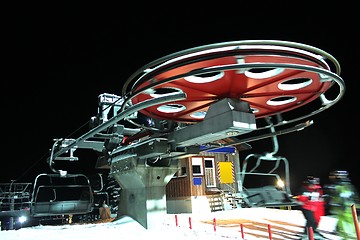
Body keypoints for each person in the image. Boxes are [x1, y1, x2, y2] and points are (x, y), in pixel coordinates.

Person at [324, 170, 360, 239]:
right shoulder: (346, 186)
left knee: (348, 227)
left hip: (345, 210)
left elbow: (354, 197)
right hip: (345, 210)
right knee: (347, 227)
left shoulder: (343, 187)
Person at [295, 175, 326, 239]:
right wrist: (307, 198)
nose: (312, 186)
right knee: (311, 220)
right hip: (306, 207)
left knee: (316, 221)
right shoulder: (303, 189)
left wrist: (322, 200)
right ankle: (306, 233)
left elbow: (321, 197)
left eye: (314, 184)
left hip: (315, 208)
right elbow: (299, 198)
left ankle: (313, 231)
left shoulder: (318, 188)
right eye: (311, 184)